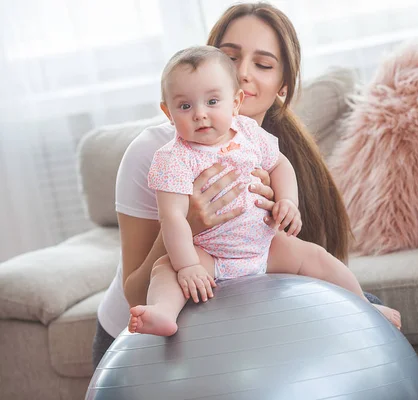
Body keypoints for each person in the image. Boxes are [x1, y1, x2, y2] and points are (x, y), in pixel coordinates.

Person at [92, 2, 399, 367]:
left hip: (248, 292)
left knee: (369, 311)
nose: (242, 73)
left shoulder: (263, 143)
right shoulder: (157, 151)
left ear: (282, 86)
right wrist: (189, 224)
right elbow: (134, 293)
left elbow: (302, 260)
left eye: (264, 64)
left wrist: (283, 204)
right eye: (230, 57)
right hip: (142, 332)